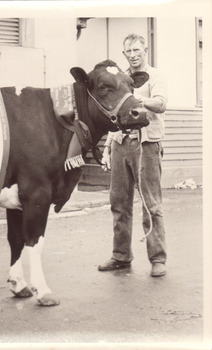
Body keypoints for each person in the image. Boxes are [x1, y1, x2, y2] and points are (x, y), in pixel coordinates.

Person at [98, 33, 168, 277]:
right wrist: (107, 148)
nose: (134, 55)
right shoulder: (123, 78)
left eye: (137, 50)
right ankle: (121, 256)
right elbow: (114, 114)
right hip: (120, 143)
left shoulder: (155, 75)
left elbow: (161, 104)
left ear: (145, 49)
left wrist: (139, 98)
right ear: (124, 54)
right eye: (129, 52)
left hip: (146, 145)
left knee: (151, 204)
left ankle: (158, 258)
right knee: (118, 203)